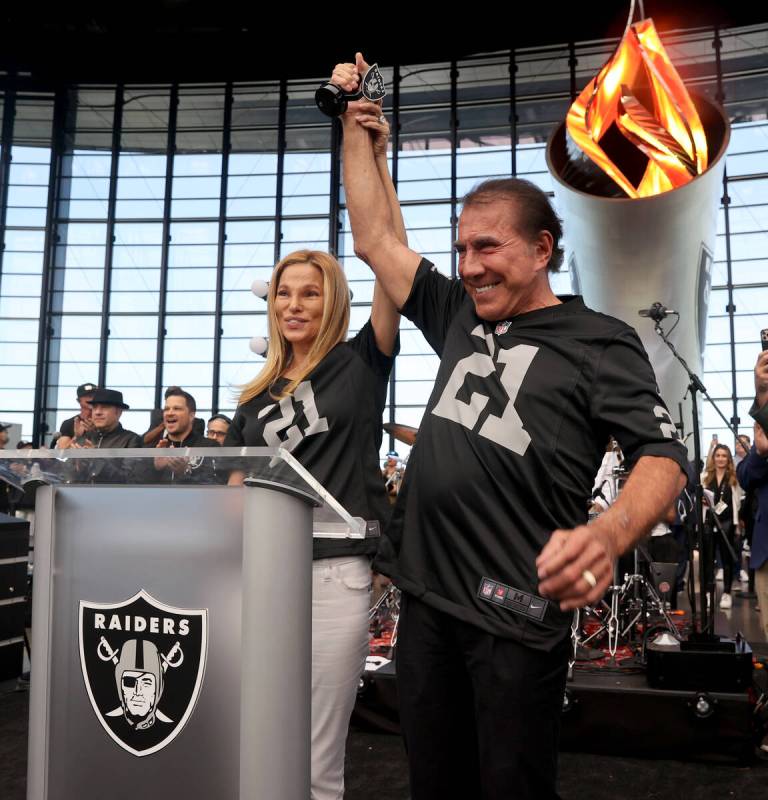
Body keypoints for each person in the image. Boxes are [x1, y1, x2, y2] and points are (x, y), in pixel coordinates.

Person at [335, 51, 688, 800]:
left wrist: (606, 534)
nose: (468, 265)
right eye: (461, 247)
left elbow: (663, 455)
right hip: (428, 601)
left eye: (486, 247)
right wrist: (353, 125)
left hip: (516, 619)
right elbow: (374, 239)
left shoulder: (600, 341)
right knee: (435, 783)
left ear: (541, 250)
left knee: (512, 789)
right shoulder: (457, 312)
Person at [225, 113, 402, 799]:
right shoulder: (254, 396)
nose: (293, 303)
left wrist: (377, 159)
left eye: (310, 290)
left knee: (318, 758)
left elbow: (394, 261)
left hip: (335, 580)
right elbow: (235, 493)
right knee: (258, 741)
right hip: (259, 579)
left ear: (333, 301)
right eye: (283, 292)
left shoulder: (361, 363)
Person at [146, 388, 220, 484]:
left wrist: (185, 472)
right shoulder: (155, 448)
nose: (170, 413)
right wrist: (156, 469)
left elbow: (217, 485)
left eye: (177, 408)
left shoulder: (209, 447)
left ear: (191, 416)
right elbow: (137, 487)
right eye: (166, 409)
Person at [701, 444, 743, 609]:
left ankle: (726, 593)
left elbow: (738, 501)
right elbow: (698, 497)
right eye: (717, 455)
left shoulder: (733, 478)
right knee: (708, 561)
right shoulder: (704, 476)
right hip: (708, 522)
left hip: (727, 524)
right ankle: (708, 593)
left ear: (728, 459)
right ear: (713, 458)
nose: (720, 459)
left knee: (726, 560)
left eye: (724, 456)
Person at [56, 382, 98, 448]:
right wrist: (77, 436)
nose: (92, 398)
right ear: (78, 400)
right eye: (88, 395)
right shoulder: (69, 423)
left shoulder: (103, 421)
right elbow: (62, 452)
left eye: (95, 395)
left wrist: (96, 432)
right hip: (75, 458)